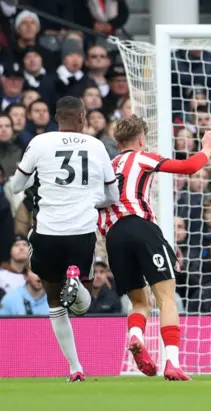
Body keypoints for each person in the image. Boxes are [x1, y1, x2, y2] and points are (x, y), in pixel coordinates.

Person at [98, 115, 211, 381]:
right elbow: (188, 167)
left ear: (117, 142)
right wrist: (207, 149)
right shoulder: (142, 157)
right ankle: (172, 362)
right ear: (141, 139)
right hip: (141, 227)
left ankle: (136, 335)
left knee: (139, 302)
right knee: (166, 297)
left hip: (114, 236)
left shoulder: (107, 167)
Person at [9, 96, 119, 382]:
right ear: (82, 117)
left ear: (57, 117)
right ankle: (74, 276)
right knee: (82, 306)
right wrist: (92, 198)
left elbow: (18, 185)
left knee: (55, 303)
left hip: (47, 231)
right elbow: (113, 196)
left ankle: (75, 367)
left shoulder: (40, 143)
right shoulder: (96, 146)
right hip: (81, 233)